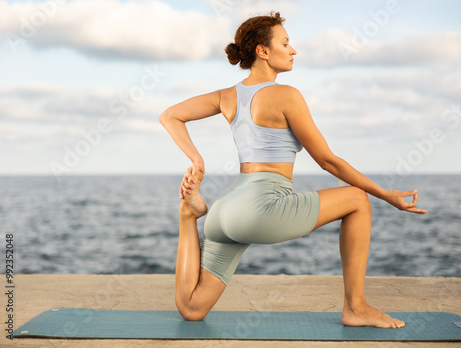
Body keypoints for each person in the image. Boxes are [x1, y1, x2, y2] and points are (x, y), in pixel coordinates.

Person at [159, 12, 427, 328]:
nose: (293, 50)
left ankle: (188, 216)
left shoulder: (226, 96)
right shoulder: (286, 95)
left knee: (192, 308)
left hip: (224, 211)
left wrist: (197, 160)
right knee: (357, 200)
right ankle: (355, 307)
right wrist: (386, 194)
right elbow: (328, 161)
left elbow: (170, 115)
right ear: (263, 51)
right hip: (261, 207)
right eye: (285, 43)